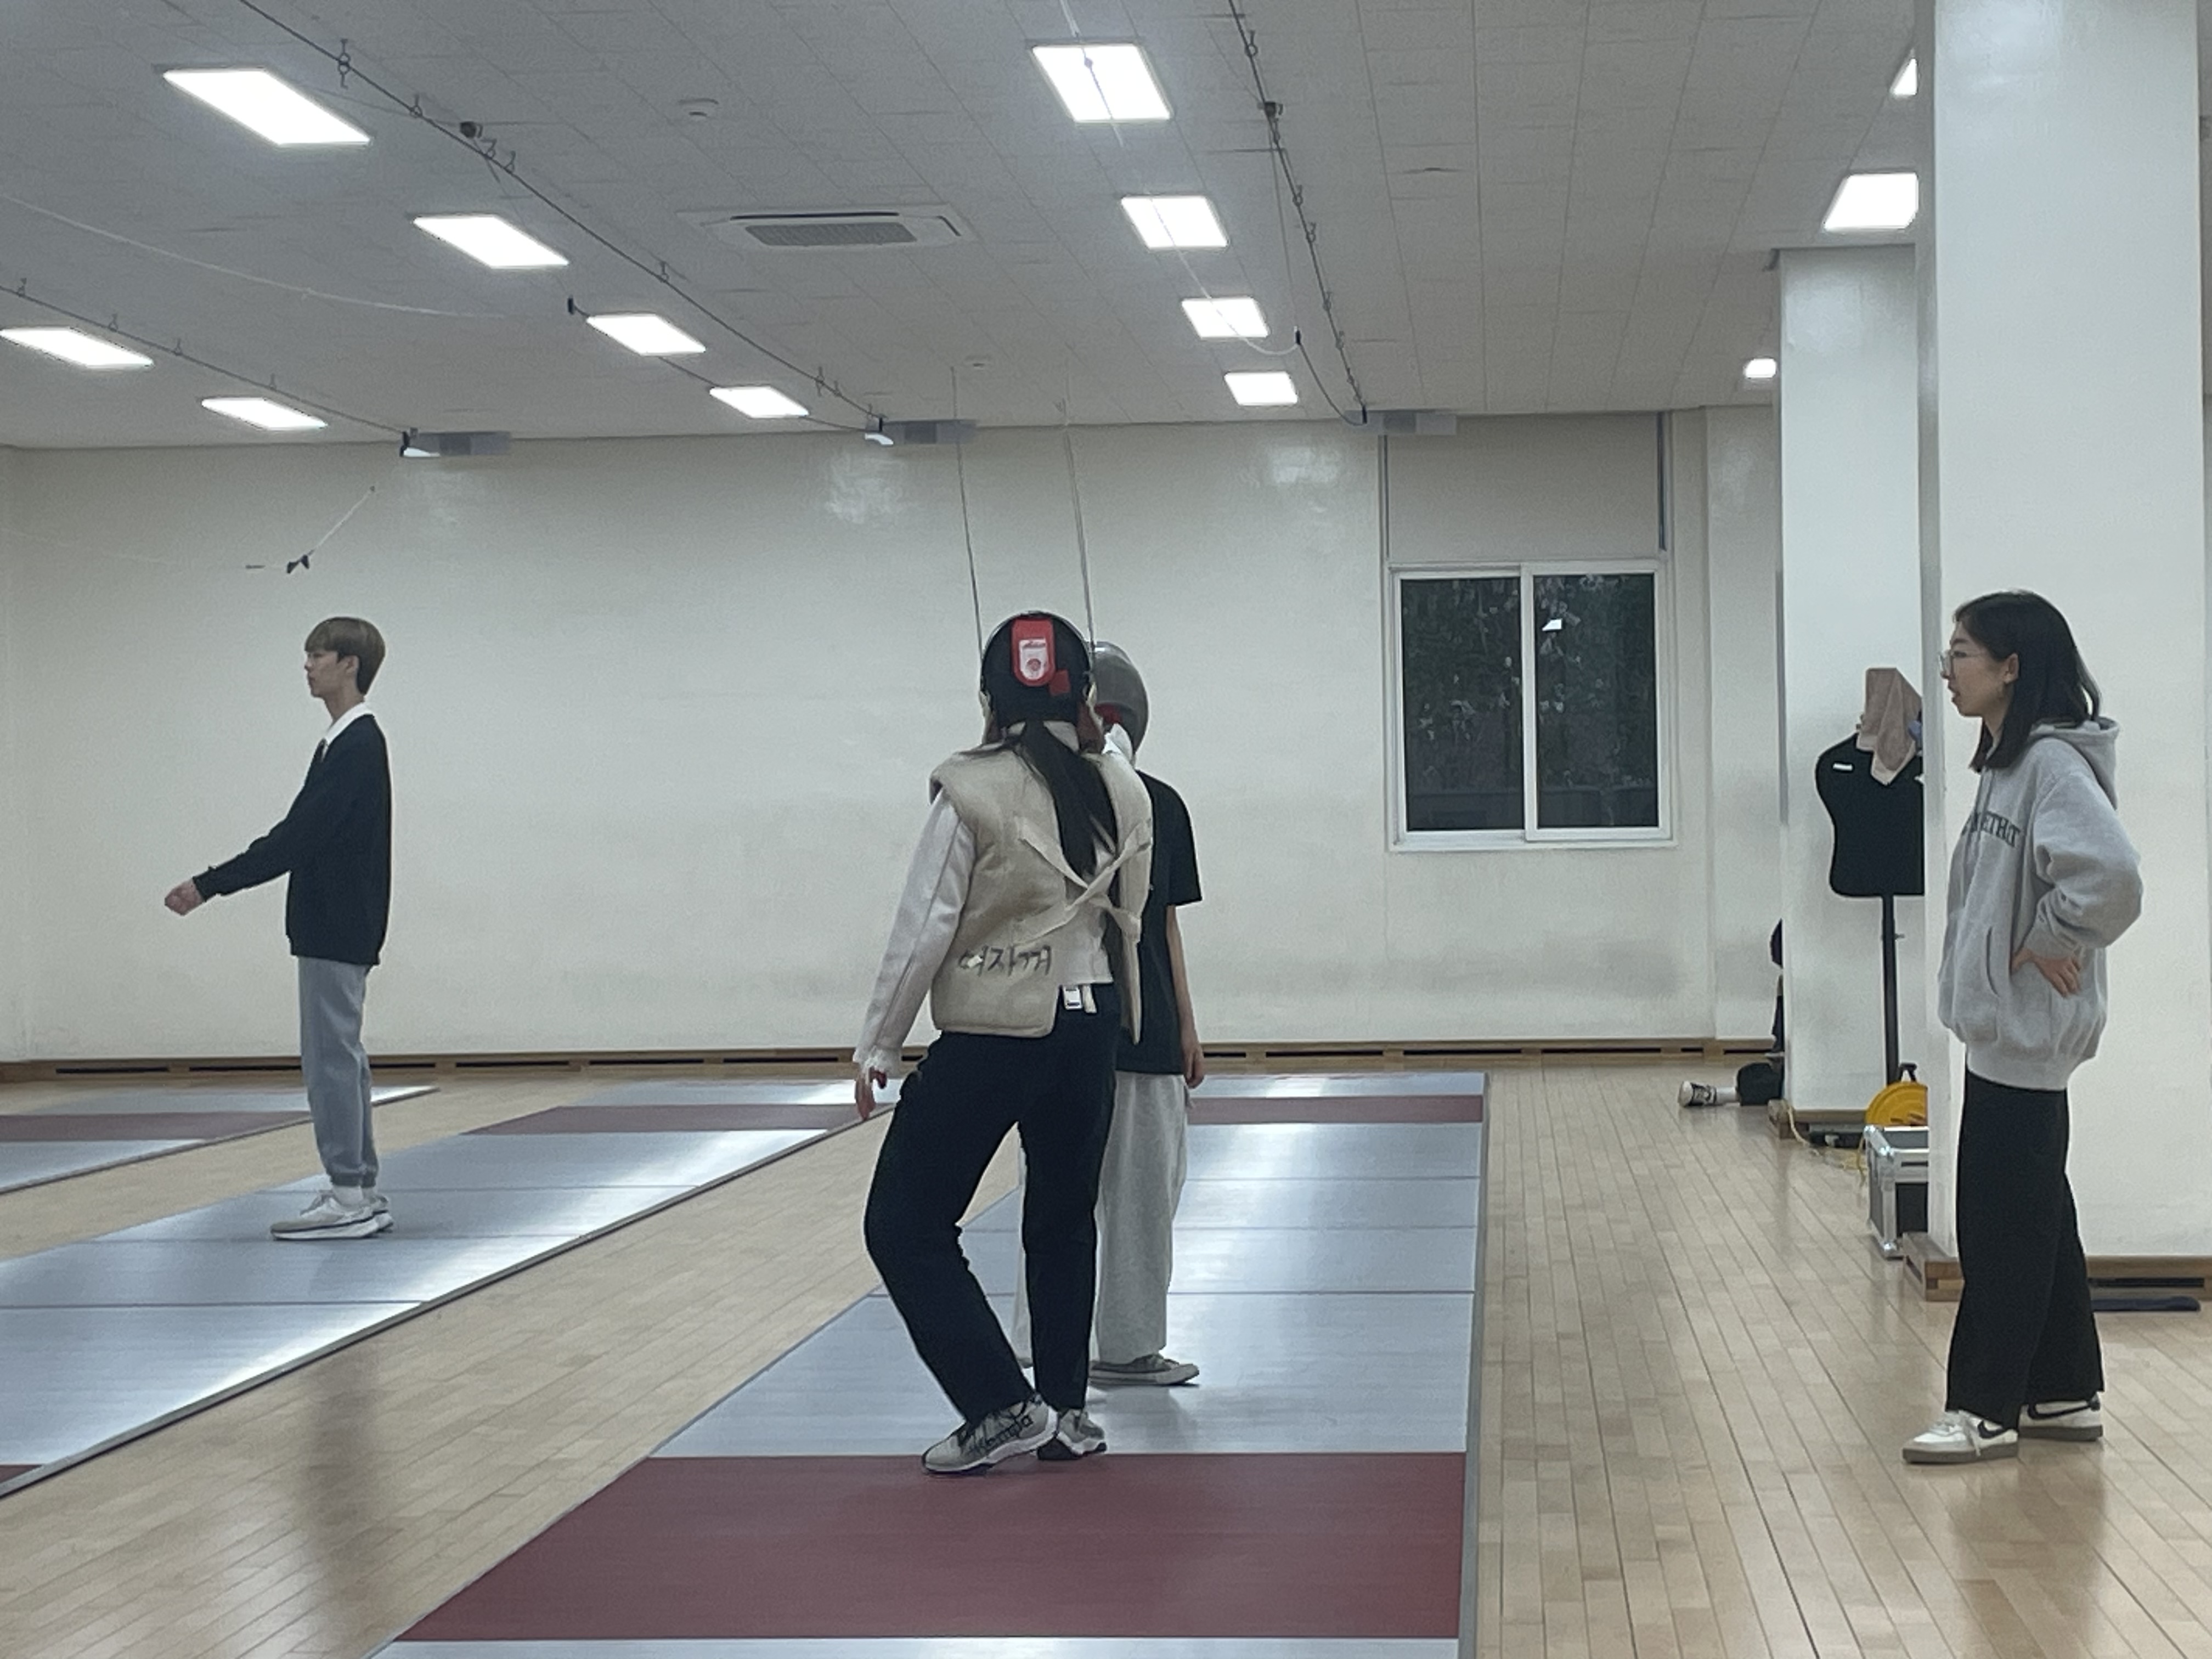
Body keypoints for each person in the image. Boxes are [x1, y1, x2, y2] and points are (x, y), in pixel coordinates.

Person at [855, 613, 1153, 1475]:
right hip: (1090, 1031)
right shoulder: (1124, 787)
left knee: (904, 1224)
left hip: (995, 1034)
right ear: (1083, 695)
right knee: (1062, 1221)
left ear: (991, 701)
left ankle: (999, 1406)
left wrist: (880, 1044)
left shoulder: (971, 788)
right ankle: (1066, 1412)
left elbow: (926, 923)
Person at [1903, 590, 2142, 1465]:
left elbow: (2113, 876)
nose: (1947, 670)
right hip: (2007, 1030)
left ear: (2011, 667)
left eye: (1962, 654)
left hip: (2029, 1030)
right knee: (2038, 1206)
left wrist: (2052, 937)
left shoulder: (2051, 764)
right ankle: (2063, 1390)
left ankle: (1985, 1407)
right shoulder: (2008, 765)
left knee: (2001, 1223)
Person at [1012, 640, 1206, 1385]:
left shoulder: (1161, 805)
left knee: (1136, 1197)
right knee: (1061, 1196)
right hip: (1060, 1026)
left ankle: (1121, 1344)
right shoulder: (1031, 806)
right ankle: (1051, 1343)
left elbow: (1163, 924)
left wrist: (1187, 1027)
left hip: (1136, 1034)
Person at [165, 617, 395, 1242]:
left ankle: (349, 1196)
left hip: (336, 927)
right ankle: (359, 1187)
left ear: (349, 664)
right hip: (338, 925)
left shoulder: (356, 745)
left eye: (318, 655)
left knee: (330, 1062)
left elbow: (297, 838)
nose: (308, 666)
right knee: (341, 1058)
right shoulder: (342, 743)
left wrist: (210, 884)